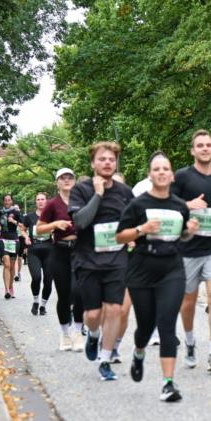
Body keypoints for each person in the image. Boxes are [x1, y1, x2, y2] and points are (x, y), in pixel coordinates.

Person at [116, 151, 200, 402]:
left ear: (172, 175)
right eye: (157, 169)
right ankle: (139, 352)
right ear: (151, 175)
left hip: (171, 269)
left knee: (166, 324)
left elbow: (181, 236)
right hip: (141, 269)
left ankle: (168, 383)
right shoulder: (138, 205)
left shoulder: (179, 205)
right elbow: (120, 236)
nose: (162, 172)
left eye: (166, 168)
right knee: (145, 326)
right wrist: (142, 229)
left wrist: (189, 231)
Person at [170, 129, 211, 373]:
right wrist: (188, 205)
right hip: (188, 247)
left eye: (209, 145)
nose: (205, 148)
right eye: (200, 145)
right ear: (193, 150)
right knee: (187, 301)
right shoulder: (183, 177)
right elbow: (167, 202)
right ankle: (189, 342)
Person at [68, 141, 135, 381]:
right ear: (93, 163)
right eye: (102, 159)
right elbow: (81, 222)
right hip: (88, 261)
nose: (107, 163)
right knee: (93, 315)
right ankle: (93, 335)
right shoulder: (81, 190)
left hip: (117, 261)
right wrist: (97, 194)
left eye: (111, 159)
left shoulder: (125, 193)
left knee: (115, 309)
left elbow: (135, 222)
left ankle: (105, 360)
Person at [38, 168, 86, 351]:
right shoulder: (52, 204)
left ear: (74, 181)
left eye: (70, 177)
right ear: (57, 182)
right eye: (62, 178)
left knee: (79, 292)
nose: (66, 180)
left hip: (80, 251)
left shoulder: (80, 201)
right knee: (64, 295)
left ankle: (78, 331)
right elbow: (39, 229)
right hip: (59, 251)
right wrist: (55, 224)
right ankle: (65, 334)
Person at [24, 192, 54, 316]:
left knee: (48, 280)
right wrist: (26, 237)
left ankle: (43, 305)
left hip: (49, 250)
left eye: (43, 199)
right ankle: (36, 301)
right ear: (35, 202)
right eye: (38, 199)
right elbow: (22, 228)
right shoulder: (29, 217)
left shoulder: (52, 216)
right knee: (36, 277)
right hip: (34, 250)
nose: (41, 201)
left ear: (46, 201)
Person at [0, 195, 24, 299]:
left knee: (11, 266)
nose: (7, 201)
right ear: (3, 201)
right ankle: (6, 289)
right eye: (5, 200)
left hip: (14, 239)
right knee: (6, 264)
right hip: (3, 238)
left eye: (9, 200)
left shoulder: (16, 212)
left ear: (11, 201)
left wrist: (14, 221)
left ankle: (11, 287)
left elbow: (23, 225)